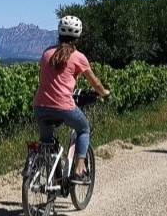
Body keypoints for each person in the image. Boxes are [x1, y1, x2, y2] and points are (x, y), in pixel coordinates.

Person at [32, 15, 110, 184]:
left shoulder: (46, 53)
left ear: (58, 33)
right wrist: (104, 93)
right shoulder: (78, 57)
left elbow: (45, 80)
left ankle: (47, 176)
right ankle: (79, 170)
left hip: (39, 105)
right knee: (84, 129)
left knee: (47, 141)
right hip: (63, 106)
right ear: (78, 36)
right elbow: (95, 82)